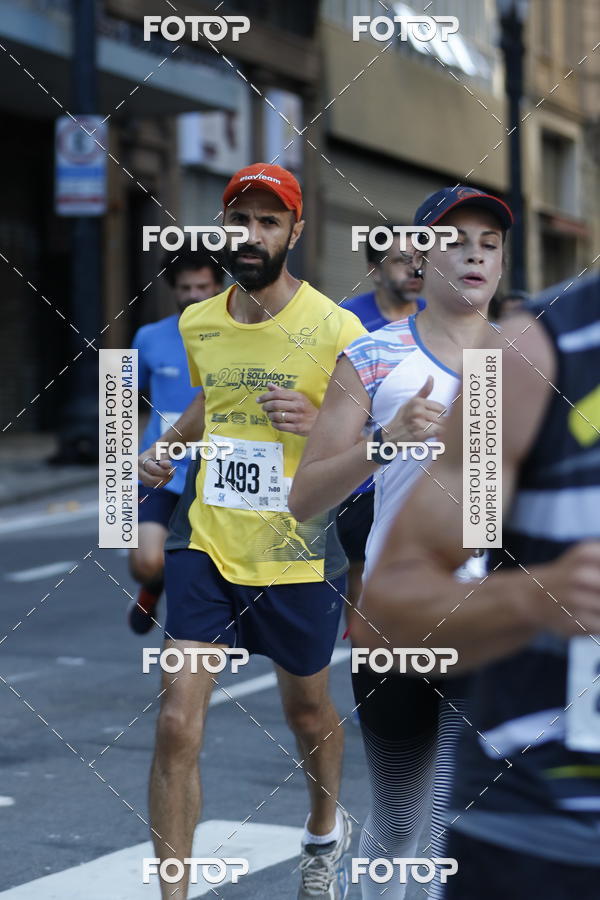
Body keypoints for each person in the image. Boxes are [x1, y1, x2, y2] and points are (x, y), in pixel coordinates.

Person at [138, 163, 366, 900]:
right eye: (240, 220)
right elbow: (212, 394)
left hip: (295, 548)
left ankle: (325, 832)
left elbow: (369, 442)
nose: (251, 234)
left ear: (295, 231)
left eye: (269, 222)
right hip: (205, 538)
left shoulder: (336, 330)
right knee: (177, 718)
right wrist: (170, 445)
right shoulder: (198, 321)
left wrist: (321, 428)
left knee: (305, 711)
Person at [290, 186, 513, 899]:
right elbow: (305, 499)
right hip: (401, 621)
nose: (475, 251)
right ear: (421, 252)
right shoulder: (374, 356)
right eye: (456, 238)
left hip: (502, 620)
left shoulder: (532, 362)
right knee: (400, 823)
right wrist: (384, 443)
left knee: (481, 824)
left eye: (490, 241)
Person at [358, 269, 600, 899]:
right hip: (545, 836)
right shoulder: (528, 357)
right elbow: (391, 615)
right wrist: (537, 595)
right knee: (400, 807)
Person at [128, 250, 224, 634]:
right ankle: (154, 584)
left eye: (203, 286)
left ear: (218, 287)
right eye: (185, 288)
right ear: (173, 291)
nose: (194, 295)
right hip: (161, 474)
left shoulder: (237, 338)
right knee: (146, 561)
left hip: (217, 475)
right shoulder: (147, 337)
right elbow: (117, 406)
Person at [337, 233, 424, 614]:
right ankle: (372, 665)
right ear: (374, 270)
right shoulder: (346, 321)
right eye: (401, 260)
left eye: (419, 259)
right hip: (363, 479)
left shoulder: (437, 318)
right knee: (364, 584)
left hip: (424, 473)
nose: (414, 268)